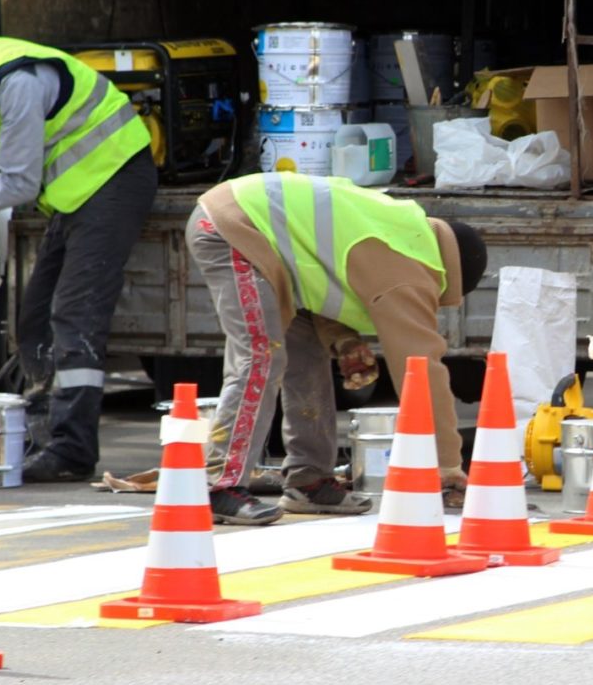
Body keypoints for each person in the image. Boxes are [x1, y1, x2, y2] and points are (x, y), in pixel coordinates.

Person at [0, 15, 157, 482]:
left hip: (116, 176)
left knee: (75, 314)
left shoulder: (14, 81)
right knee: (34, 316)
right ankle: (44, 434)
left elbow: (18, 183)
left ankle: (73, 450)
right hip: (75, 196)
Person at [189, 172, 487, 525]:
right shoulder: (409, 266)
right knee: (260, 357)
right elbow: (421, 370)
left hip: (261, 237)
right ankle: (219, 485)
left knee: (308, 359)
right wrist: (448, 463)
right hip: (233, 228)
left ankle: (308, 480)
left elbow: (320, 272)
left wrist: (344, 341)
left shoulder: (399, 232)